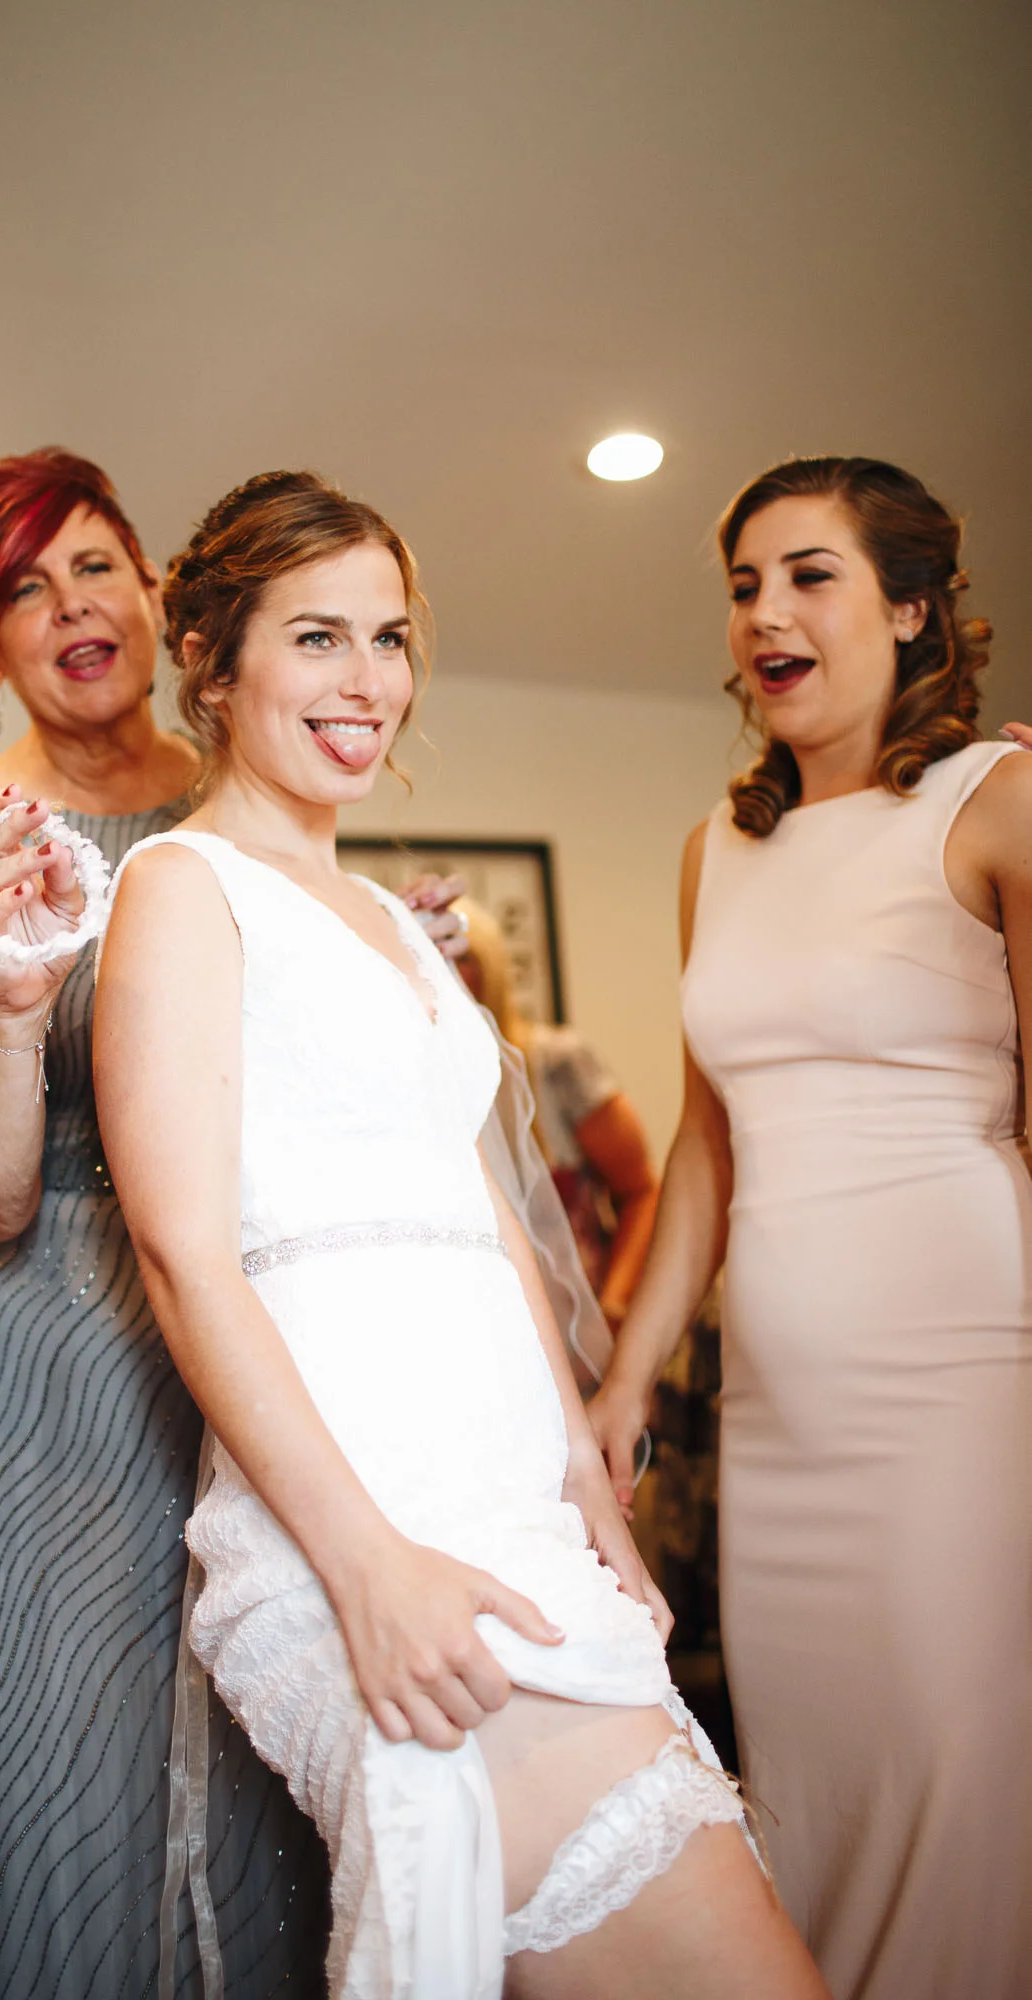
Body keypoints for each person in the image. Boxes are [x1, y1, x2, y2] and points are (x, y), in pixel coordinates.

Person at [93, 470, 829, 1999]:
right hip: (366, 1520)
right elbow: (181, 1258)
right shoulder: (179, 887)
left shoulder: (383, 924)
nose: (368, 682)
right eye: (317, 638)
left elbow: (487, 1222)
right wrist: (366, 1564)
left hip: (512, 1508)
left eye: (390, 638)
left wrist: (588, 1489)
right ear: (211, 662)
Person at [0, 448, 464, 1999]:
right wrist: (13, 1011)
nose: (72, 608)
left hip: (254, 1323)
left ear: (158, 595)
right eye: (21, 590)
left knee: (277, 1734)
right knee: (78, 1751)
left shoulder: (257, 801)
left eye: (93, 566)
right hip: (54, 1354)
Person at [588, 455, 1032, 2000]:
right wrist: (627, 1379)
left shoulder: (997, 803)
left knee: (960, 1793)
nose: (764, 612)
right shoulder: (716, 849)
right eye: (742, 585)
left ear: (910, 609)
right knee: (812, 1804)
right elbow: (704, 1143)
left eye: (809, 575)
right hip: (777, 1423)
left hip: (962, 1397)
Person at [454, 897, 659, 1330]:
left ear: (490, 968)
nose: (444, 967)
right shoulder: (410, 1087)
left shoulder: (556, 1063)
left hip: (578, 1327)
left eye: (463, 955)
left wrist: (614, 1306)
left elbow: (641, 1191)